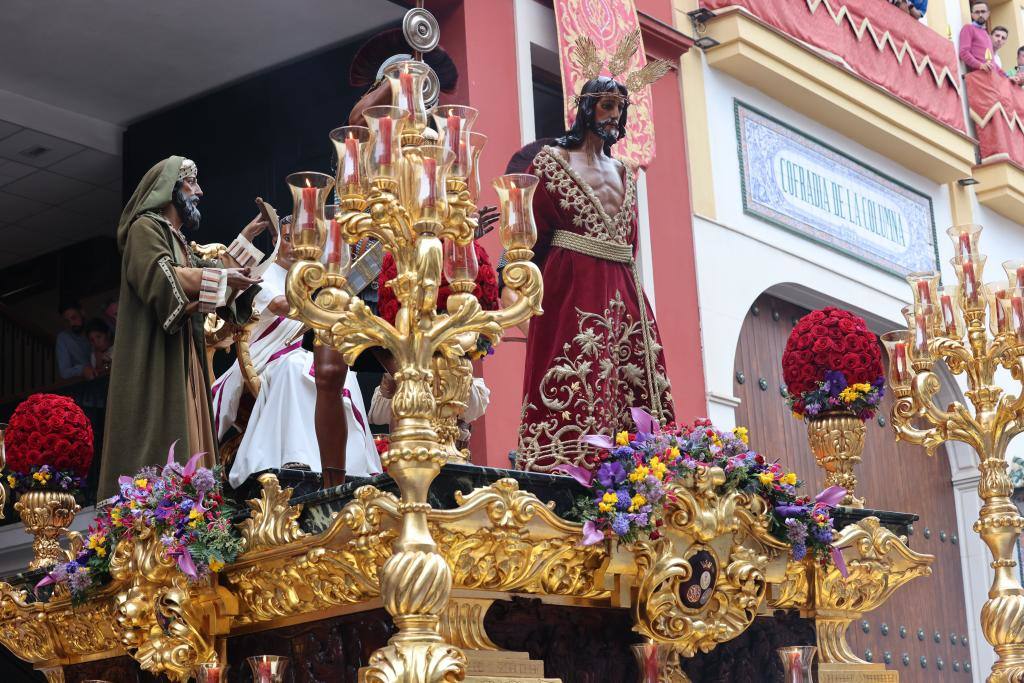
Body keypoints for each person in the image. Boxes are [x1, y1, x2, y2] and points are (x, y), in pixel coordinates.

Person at [514, 37, 675, 474]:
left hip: (624, 287)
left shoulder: (626, 172)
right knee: (576, 373)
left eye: (619, 109)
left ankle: (641, 468)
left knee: (633, 381)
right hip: (572, 287)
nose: (614, 116)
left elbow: (633, 240)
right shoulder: (549, 163)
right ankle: (564, 461)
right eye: (606, 106)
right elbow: (530, 234)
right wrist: (520, 279)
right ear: (586, 108)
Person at [97, 156, 267, 500]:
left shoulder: (179, 242)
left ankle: (193, 511)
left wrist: (248, 238)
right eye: (192, 183)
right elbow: (164, 278)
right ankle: (161, 510)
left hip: (183, 354)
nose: (200, 191)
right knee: (163, 431)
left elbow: (214, 273)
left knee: (192, 427)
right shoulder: (145, 229)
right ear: (170, 190)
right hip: (156, 358)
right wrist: (218, 277)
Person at [221, 216, 380, 488]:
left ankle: (350, 465)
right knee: (295, 368)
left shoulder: (311, 282)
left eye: (301, 239)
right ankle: (295, 457)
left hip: (301, 352)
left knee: (344, 374)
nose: (294, 245)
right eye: (287, 237)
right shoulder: (263, 273)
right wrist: (328, 300)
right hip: (267, 357)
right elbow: (282, 305)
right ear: (275, 241)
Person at [55, 301, 94, 380]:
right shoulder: (64, 338)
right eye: (67, 321)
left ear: (82, 313)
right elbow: (64, 372)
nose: (71, 324)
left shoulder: (95, 328)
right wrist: (82, 369)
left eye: (74, 318)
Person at [960, 2, 1002, 74]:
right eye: (977, 12)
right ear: (972, 15)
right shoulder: (968, 28)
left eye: (983, 11)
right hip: (979, 76)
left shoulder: (986, 34)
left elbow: (993, 63)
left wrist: (1007, 76)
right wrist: (980, 65)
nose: (980, 15)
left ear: (988, 14)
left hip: (992, 76)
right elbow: (963, 52)